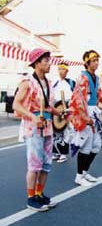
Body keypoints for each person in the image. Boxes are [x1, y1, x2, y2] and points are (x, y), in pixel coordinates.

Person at [13, 48, 60, 211]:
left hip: (47, 127)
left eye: (49, 60)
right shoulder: (27, 82)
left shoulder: (48, 82)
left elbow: (48, 105)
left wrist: (59, 112)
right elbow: (16, 104)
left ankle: (40, 194)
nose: (49, 63)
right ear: (36, 63)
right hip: (33, 128)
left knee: (46, 164)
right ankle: (31, 197)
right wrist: (33, 117)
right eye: (46, 60)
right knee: (34, 165)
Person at [69, 50, 102, 186]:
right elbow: (77, 99)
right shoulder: (82, 78)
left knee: (96, 145)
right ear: (87, 63)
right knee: (86, 145)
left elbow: (99, 93)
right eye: (94, 60)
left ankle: (84, 172)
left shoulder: (96, 78)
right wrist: (85, 117)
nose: (97, 63)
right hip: (85, 112)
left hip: (94, 112)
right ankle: (79, 176)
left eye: (97, 60)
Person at [52, 62, 75, 163]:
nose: (61, 71)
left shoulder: (71, 83)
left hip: (67, 108)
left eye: (63, 69)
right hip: (57, 109)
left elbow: (75, 97)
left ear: (67, 71)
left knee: (66, 132)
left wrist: (70, 108)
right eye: (59, 69)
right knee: (56, 132)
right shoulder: (55, 83)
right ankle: (57, 152)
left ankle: (64, 154)